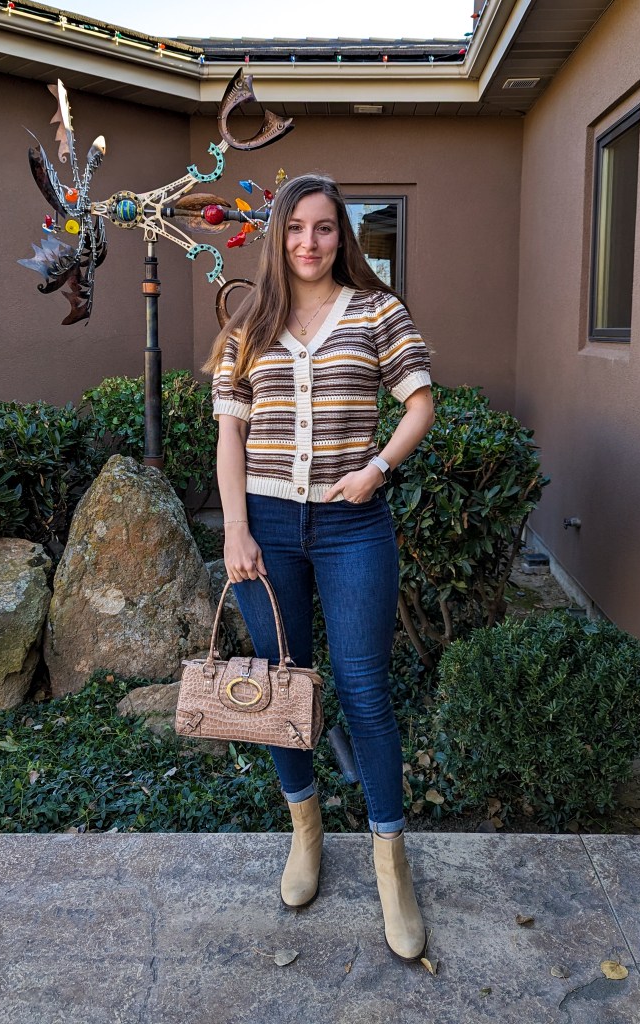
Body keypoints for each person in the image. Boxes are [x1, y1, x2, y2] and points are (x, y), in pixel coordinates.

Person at [204, 172, 435, 962]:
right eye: (296, 228)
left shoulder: (377, 311)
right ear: (278, 235)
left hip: (352, 526)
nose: (309, 242)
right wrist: (235, 531)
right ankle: (305, 830)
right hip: (265, 526)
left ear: (345, 236)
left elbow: (419, 403)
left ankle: (389, 859)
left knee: (365, 689)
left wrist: (377, 469)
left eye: (325, 228)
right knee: (279, 681)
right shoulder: (248, 321)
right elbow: (229, 437)